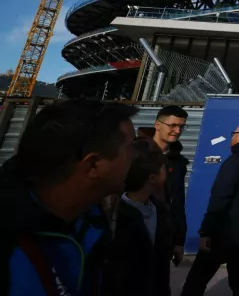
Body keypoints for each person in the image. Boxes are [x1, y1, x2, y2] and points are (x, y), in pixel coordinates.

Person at [0, 100, 138, 296]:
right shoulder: (10, 246)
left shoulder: (94, 221)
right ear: (93, 165)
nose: (136, 156)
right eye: (131, 147)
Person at [180, 122, 239, 296]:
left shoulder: (235, 161)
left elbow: (220, 198)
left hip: (223, 233)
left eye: (234, 134)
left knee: (196, 280)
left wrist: (206, 231)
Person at [102, 139, 172, 296]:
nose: (167, 172)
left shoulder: (158, 210)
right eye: (164, 169)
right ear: (152, 178)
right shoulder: (119, 215)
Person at [138, 105, 189, 266]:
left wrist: (179, 241)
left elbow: (178, 201)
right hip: (134, 232)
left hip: (163, 238)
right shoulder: (135, 153)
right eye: (172, 125)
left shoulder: (178, 162)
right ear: (157, 125)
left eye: (181, 126)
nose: (177, 131)